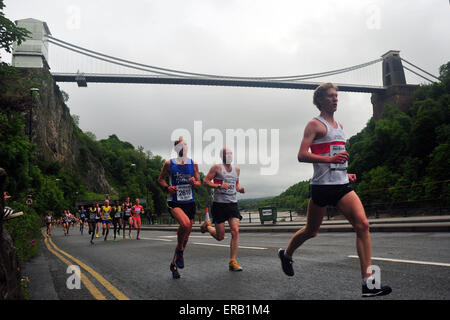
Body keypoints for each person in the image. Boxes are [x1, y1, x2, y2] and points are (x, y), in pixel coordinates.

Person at [277, 82, 392, 297]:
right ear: (320, 100)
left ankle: (369, 284)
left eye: (336, 96)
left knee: (363, 225)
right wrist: (330, 159)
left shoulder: (339, 126)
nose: (335, 99)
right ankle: (286, 253)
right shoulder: (314, 124)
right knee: (311, 231)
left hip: (341, 185)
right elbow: (302, 155)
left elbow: (337, 157)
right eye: (330, 96)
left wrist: (344, 171)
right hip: (321, 187)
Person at [158, 137, 201, 279]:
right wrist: (167, 187)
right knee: (185, 223)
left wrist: (194, 182)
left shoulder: (193, 163)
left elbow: (199, 183)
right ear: (176, 149)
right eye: (181, 145)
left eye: (186, 145)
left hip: (189, 201)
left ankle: (174, 264)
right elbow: (161, 179)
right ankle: (180, 252)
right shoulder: (169, 164)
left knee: (186, 237)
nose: (184, 147)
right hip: (175, 201)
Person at [201, 148, 246, 271]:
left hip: (232, 204)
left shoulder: (237, 170)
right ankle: (208, 226)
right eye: (227, 154)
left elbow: (235, 185)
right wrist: (219, 186)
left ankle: (233, 261)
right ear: (222, 156)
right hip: (219, 204)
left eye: (231, 153)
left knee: (235, 231)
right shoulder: (217, 168)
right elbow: (205, 181)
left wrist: (240, 189)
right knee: (220, 236)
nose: (230, 155)